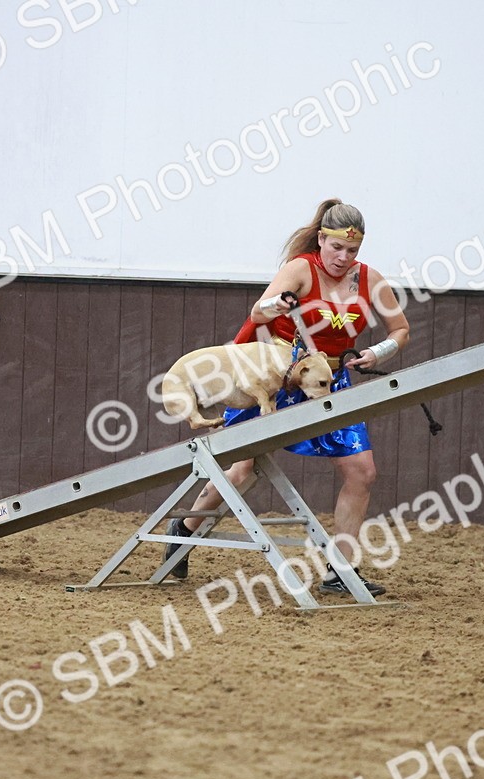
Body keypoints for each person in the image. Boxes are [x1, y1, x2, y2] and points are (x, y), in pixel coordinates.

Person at [164, 198, 410, 596]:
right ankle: (185, 527)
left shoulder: (370, 280)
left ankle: (340, 571)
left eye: (352, 251)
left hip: (330, 382)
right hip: (282, 377)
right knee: (244, 470)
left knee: (362, 471)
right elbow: (258, 313)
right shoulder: (299, 269)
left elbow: (400, 329)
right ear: (321, 239)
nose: (343, 258)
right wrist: (276, 303)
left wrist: (377, 352)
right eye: (336, 248)